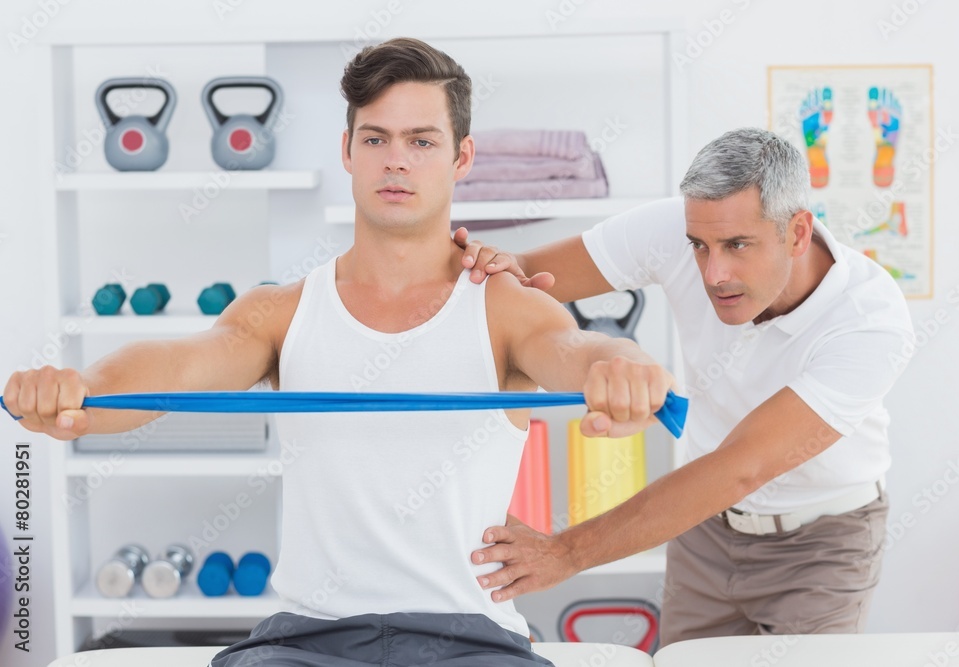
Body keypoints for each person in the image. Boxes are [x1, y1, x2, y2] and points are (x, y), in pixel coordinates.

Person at [3, 38, 673, 665]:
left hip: (467, 640)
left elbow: (578, 348)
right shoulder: (280, 311)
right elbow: (178, 366)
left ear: (461, 157)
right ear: (348, 151)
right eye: (376, 138)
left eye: (421, 140)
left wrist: (624, 367)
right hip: (306, 639)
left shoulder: (505, 306)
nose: (397, 160)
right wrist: (80, 389)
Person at [458, 127, 915, 646]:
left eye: (738, 245)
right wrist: (480, 267)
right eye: (700, 246)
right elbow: (523, 277)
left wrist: (566, 552)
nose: (714, 272)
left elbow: (741, 467)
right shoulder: (677, 228)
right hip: (707, 529)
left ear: (798, 232)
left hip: (823, 544)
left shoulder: (870, 320)